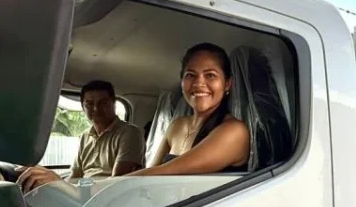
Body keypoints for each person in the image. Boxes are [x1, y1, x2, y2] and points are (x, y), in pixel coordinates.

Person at [132, 43, 250, 176]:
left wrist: (112, 184)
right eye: (190, 75)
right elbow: (149, 175)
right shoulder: (177, 125)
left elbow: (162, 172)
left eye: (210, 75)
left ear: (227, 84)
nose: (199, 83)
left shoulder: (235, 132)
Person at [17, 80, 144, 192]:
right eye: (89, 104)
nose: (96, 108)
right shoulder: (85, 136)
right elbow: (75, 175)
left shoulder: (129, 133)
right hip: (84, 195)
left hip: (108, 198)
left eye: (103, 103)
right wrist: (54, 183)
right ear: (83, 107)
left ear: (113, 104)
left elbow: (116, 183)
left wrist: (67, 187)